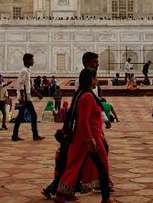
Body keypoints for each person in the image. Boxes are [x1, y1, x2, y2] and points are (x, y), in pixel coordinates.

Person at [51, 68, 112, 203]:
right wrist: (90, 139)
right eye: (95, 78)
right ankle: (106, 198)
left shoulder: (84, 94)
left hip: (87, 136)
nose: (97, 80)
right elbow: (83, 120)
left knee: (75, 164)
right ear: (90, 80)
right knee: (101, 166)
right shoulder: (87, 96)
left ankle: (61, 193)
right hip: (89, 138)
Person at [12, 52, 44, 142]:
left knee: (20, 116)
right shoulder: (24, 71)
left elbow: (29, 85)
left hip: (26, 96)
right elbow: (21, 84)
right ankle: (35, 135)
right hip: (25, 98)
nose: (33, 61)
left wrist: (37, 94)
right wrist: (23, 98)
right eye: (32, 60)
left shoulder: (27, 71)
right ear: (27, 61)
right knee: (33, 115)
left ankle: (15, 135)